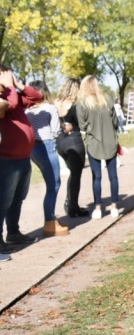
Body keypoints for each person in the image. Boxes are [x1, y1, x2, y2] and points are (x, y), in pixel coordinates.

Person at [0, 65, 42, 258]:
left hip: (23, 158)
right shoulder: (5, 101)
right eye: (6, 75)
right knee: (3, 201)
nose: (9, 78)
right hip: (6, 160)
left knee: (18, 198)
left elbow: (36, 97)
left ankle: (14, 232)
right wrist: (9, 88)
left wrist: (18, 84)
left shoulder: (13, 94)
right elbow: (12, 105)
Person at [25, 80, 67, 237]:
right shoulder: (50, 108)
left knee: (51, 184)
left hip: (32, 148)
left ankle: (51, 219)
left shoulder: (26, 110)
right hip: (47, 145)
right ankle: (49, 221)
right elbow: (55, 131)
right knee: (54, 184)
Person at [77, 76, 122, 220]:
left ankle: (98, 208)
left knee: (96, 177)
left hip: (93, 142)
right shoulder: (107, 99)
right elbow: (115, 121)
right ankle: (114, 207)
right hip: (111, 141)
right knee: (113, 176)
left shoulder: (82, 103)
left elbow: (82, 125)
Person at [55, 78, 90, 218]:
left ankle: (70, 203)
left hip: (60, 142)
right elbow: (82, 124)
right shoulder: (75, 105)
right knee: (76, 175)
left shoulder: (56, 103)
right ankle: (72, 206)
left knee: (72, 174)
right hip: (74, 141)